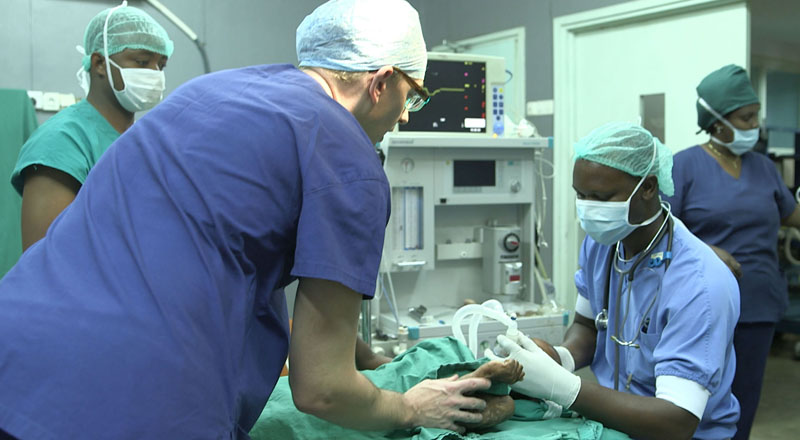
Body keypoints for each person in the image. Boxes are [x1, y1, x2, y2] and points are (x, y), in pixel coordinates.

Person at [0, 0, 491, 438]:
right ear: (382, 83)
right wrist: (407, 407)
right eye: (415, 95)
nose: (406, 116)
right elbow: (323, 389)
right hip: (130, 403)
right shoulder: (348, 161)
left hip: (15, 349)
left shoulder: (208, 93)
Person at [492, 122, 741, 440]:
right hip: (614, 424)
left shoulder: (700, 286)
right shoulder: (602, 244)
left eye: (600, 196)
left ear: (649, 187)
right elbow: (587, 326)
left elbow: (676, 421)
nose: (587, 208)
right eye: (580, 195)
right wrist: (558, 358)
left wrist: (563, 387)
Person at [663, 64, 800, 439]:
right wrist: (708, 251)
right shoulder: (684, 165)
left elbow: (792, 215)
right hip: (701, 304)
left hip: (757, 303)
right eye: (746, 117)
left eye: (756, 115)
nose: (756, 123)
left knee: (745, 400)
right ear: (717, 121)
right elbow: (660, 230)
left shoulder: (764, 167)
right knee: (695, 400)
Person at [11, 2, 172, 251]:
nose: (154, 74)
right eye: (141, 62)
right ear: (99, 63)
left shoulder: (148, 142)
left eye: (161, 65)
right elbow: (45, 262)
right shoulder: (61, 142)